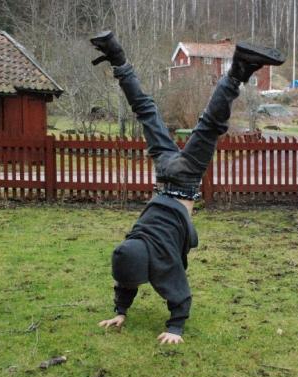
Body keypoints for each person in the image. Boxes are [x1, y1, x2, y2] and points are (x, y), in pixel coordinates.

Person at [92, 31, 285, 344]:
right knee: (146, 111)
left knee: (209, 126)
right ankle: (116, 56)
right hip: (163, 175)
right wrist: (120, 310)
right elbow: (126, 272)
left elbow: (179, 292)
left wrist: (175, 328)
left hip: (182, 183)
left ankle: (238, 70)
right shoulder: (132, 244)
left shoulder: (160, 257)